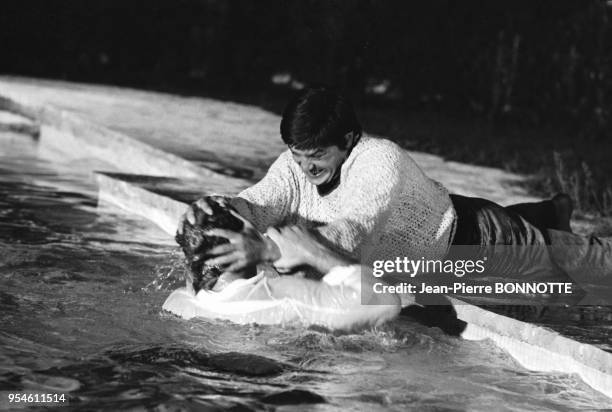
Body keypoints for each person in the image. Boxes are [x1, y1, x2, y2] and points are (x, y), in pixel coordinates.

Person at [178, 86, 611, 304]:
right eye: (298, 156)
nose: (306, 168)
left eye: (317, 156)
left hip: (472, 239)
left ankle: (552, 218)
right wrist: (217, 207)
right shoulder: (295, 166)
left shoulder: (379, 161)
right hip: (415, 257)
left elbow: (348, 235)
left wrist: (267, 249)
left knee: (590, 264)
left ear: (348, 139)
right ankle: (551, 211)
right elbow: (260, 201)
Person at [165, 200, 400, 330]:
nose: (266, 231)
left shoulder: (179, 301)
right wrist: (313, 252)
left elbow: (195, 269)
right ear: (244, 242)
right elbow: (385, 302)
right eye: (256, 226)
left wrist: (197, 230)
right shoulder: (284, 295)